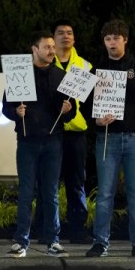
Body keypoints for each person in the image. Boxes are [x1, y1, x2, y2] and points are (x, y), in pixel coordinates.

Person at [83, 19, 135, 258]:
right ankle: (100, 242)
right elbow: (85, 104)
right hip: (107, 139)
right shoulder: (96, 69)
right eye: (108, 38)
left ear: (125, 40)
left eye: (116, 38)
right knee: (105, 194)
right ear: (104, 41)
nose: (112, 42)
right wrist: (96, 120)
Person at [2, 31, 75, 258]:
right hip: (27, 141)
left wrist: (67, 111)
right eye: (47, 47)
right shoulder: (19, 73)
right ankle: (21, 241)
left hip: (53, 141)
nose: (52, 51)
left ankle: (53, 241)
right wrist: (16, 112)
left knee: (51, 192)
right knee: (26, 192)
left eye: (53, 47)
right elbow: (5, 107)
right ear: (34, 49)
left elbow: (71, 112)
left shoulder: (62, 76)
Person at [33, 19, 92, 244]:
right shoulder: (45, 65)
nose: (65, 36)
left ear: (74, 38)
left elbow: (90, 102)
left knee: (76, 182)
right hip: (51, 132)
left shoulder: (85, 66)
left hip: (76, 132)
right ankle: (43, 229)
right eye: (60, 33)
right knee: (48, 182)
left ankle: (77, 229)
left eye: (69, 32)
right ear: (53, 38)